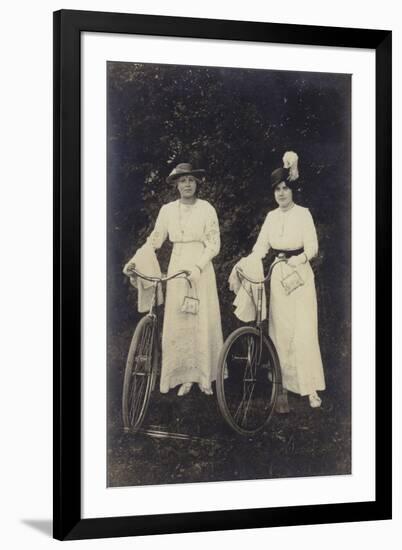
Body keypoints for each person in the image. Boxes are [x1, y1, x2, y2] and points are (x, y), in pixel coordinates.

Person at [127, 163, 223, 396]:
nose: (187, 184)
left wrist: (198, 267)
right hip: (177, 266)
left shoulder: (206, 208)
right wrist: (136, 260)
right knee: (180, 319)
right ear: (176, 185)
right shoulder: (168, 210)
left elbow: (213, 243)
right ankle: (183, 377)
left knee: (201, 317)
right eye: (182, 181)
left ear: (196, 183)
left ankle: (204, 376)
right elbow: (155, 239)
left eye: (190, 180)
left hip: (200, 267)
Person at [248, 152, 325, 409]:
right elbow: (260, 247)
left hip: (300, 275)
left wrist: (300, 260)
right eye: (277, 190)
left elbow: (312, 247)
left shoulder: (303, 214)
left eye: (285, 188)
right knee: (281, 330)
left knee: (303, 329)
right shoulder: (271, 217)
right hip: (279, 274)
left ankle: (310, 388)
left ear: (292, 191)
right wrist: (249, 263)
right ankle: (282, 384)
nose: (281, 193)